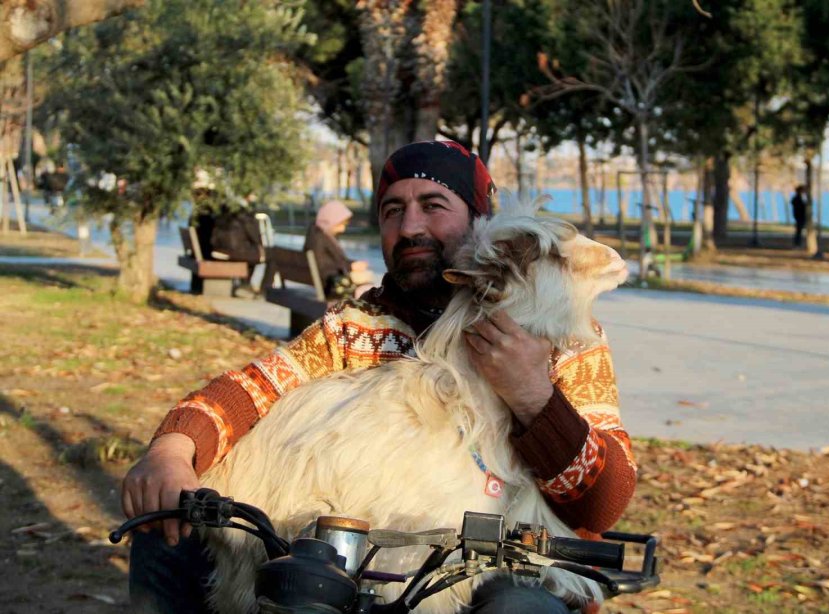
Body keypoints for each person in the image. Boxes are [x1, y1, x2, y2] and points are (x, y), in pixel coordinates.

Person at [121, 140, 637, 613]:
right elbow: (254, 387)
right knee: (165, 533)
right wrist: (172, 450)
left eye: (433, 205)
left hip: (501, 561)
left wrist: (531, 394)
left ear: (479, 220)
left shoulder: (562, 334)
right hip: (365, 554)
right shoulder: (353, 329)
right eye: (394, 210)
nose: (411, 226)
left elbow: (605, 501)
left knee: (521, 610)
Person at [304, 199, 374, 299]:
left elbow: (331, 262)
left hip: (325, 283)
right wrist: (351, 267)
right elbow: (324, 268)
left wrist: (352, 265)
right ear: (331, 220)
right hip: (330, 287)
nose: (343, 229)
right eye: (340, 224)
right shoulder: (320, 238)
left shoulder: (317, 234)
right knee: (368, 289)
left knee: (367, 284)